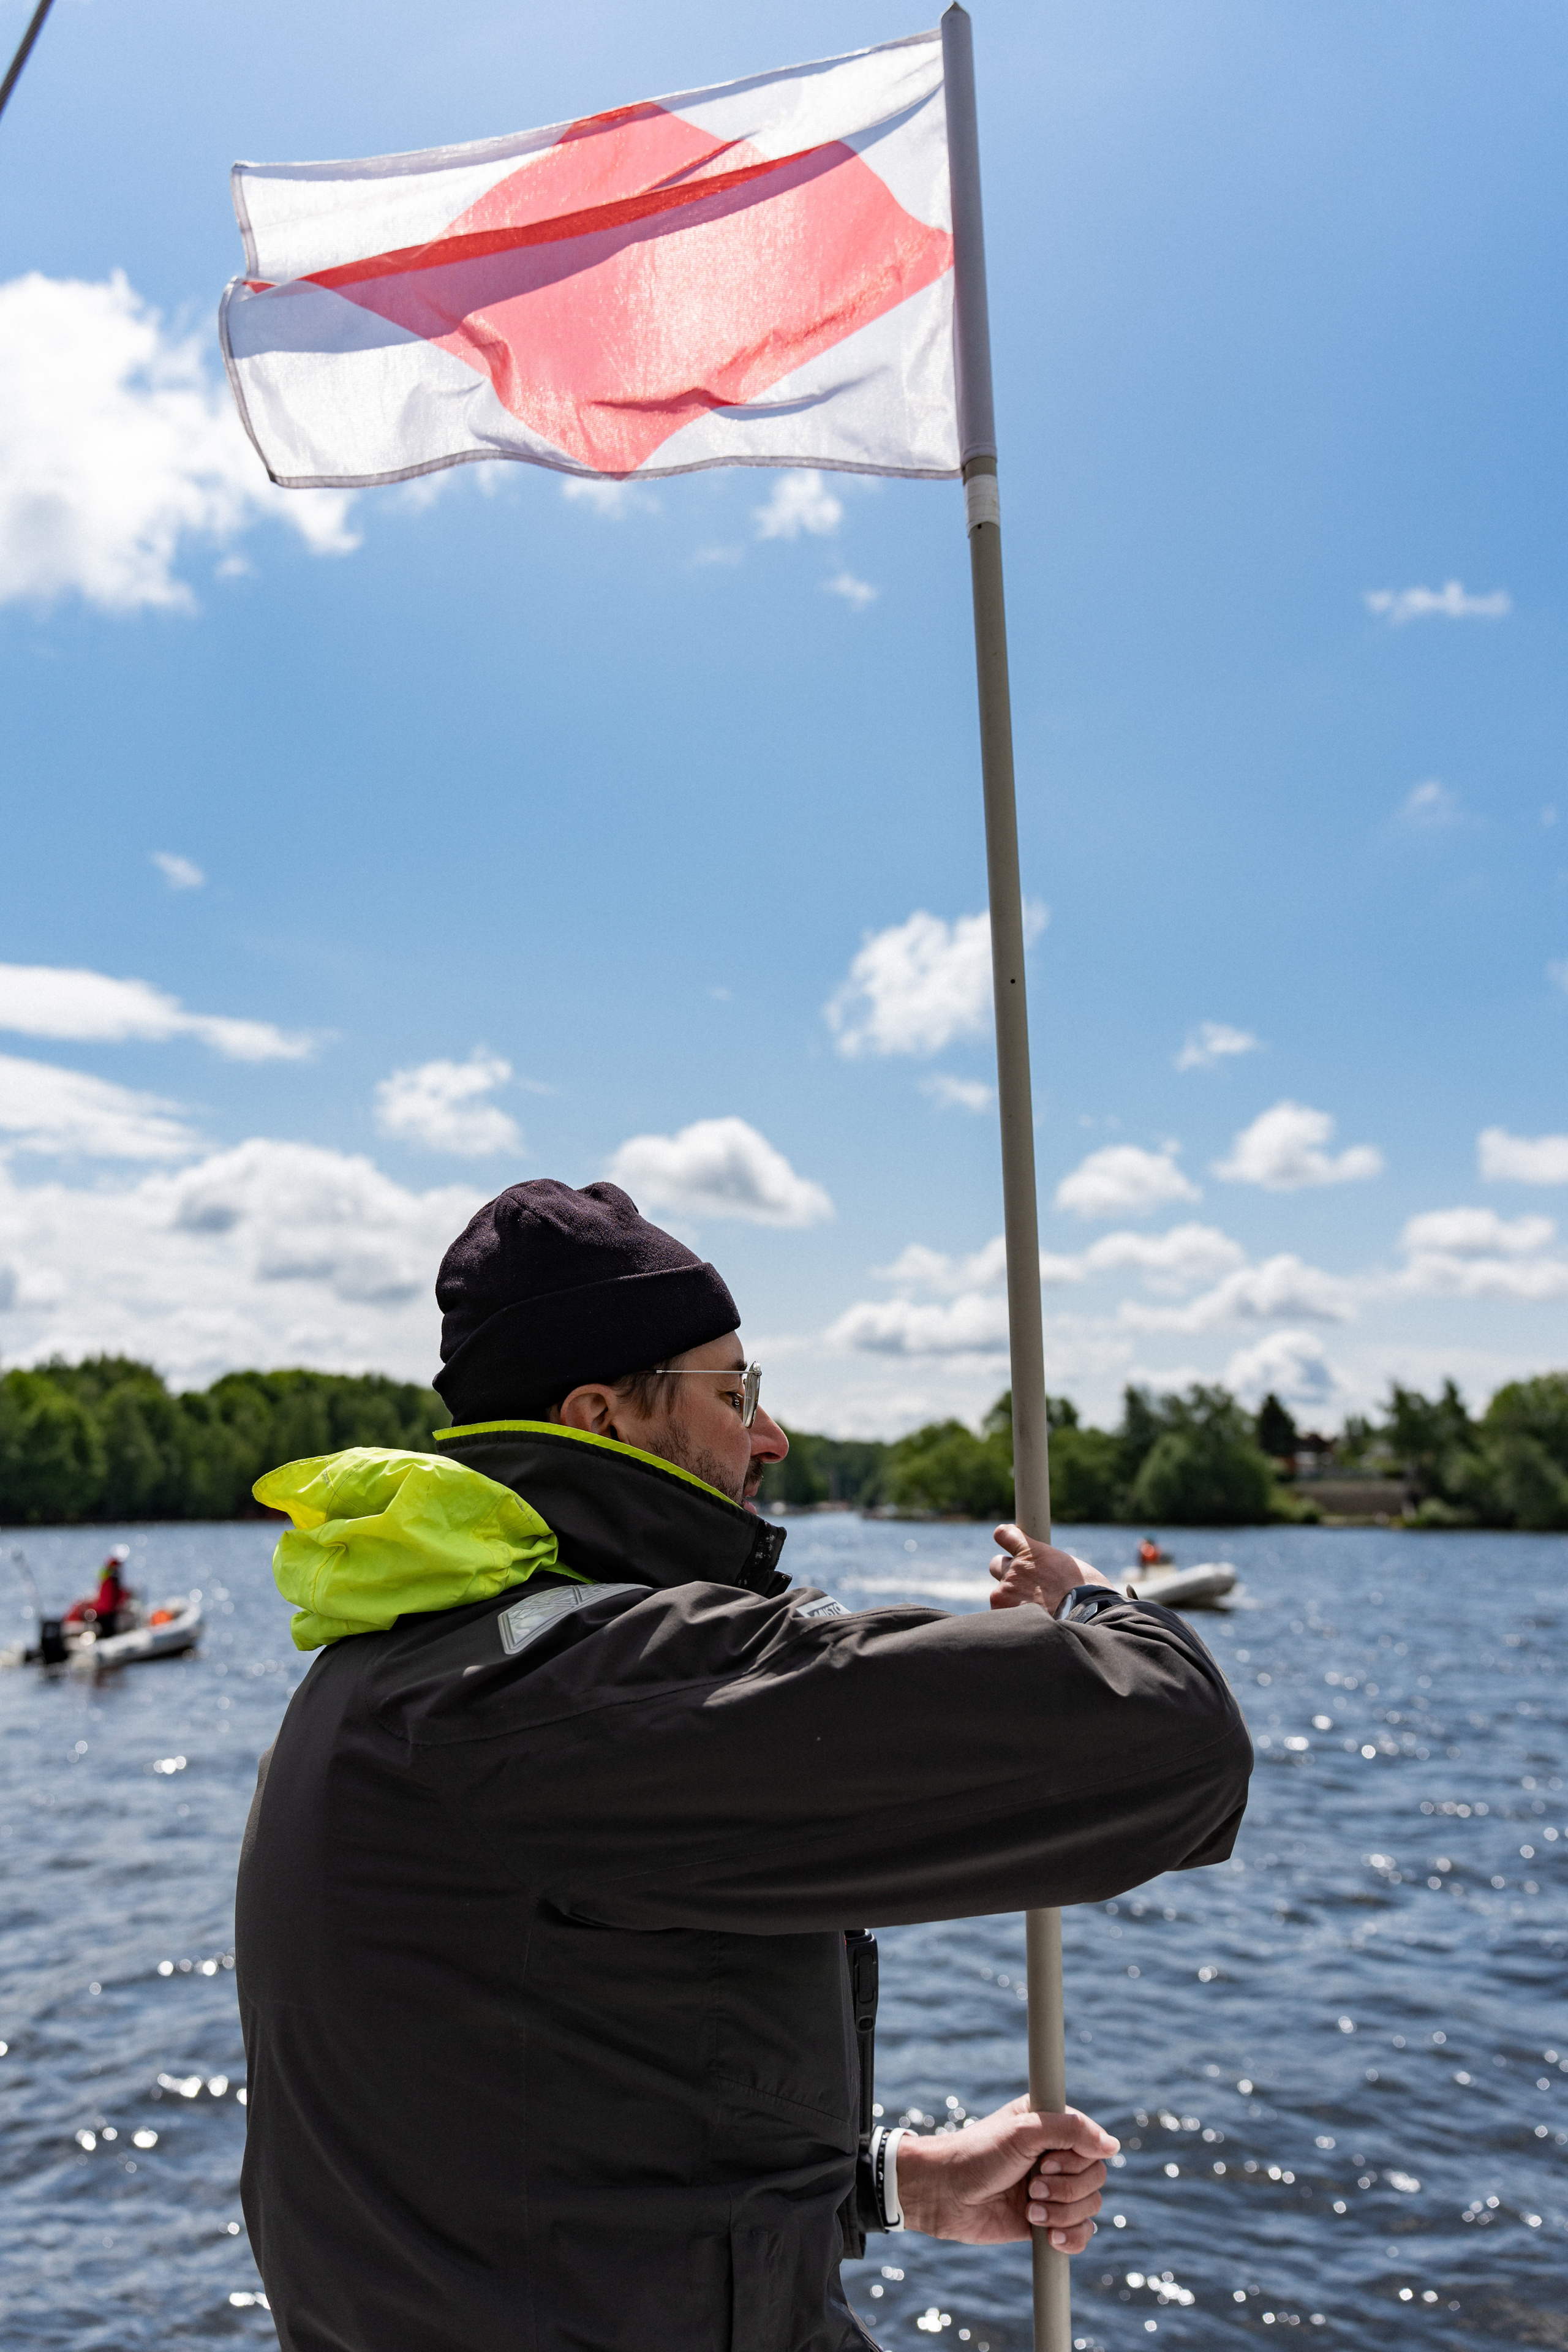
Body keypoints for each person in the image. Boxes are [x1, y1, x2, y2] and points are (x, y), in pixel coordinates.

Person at [236, 1180, 1251, 2352]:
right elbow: (1175, 1741)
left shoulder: (383, 1678)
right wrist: (1093, 1604)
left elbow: (516, 2119)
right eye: (736, 1392)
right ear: (602, 1417)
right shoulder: (582, 1692)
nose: (771, 1436)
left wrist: (890, 2183)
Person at [64, 1544, 130, 1634]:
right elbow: (116, 1600)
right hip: (107, 1615)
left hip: (101, 1613)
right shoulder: (113, 1581)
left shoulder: (105, 1578)